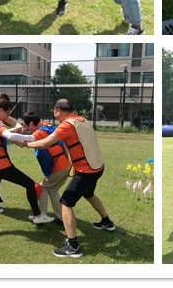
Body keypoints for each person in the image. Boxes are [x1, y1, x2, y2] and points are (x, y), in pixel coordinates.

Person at [27, 99, 114, 258]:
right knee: (89, 194)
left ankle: (73, 246)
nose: (54, 114)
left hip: (86, 170)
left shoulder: (67, 125)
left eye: (54, 111)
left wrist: (27, 144)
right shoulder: (82, 120)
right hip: (98, 166)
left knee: (66, 203)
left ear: (58, 110)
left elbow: (45, 143)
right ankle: (106, 222)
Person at [0, 97, 54, 237]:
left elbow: (0, 136)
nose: (7, 117)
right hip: (2, 166)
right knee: (30, 184)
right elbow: (9, 136)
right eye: (7, 113)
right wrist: (31, 139)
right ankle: (37, 215)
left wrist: (18, 135)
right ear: (0, 110)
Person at [22, 111, 71, 223]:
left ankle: (41, 215)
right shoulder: (45, 125)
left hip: (59, 167)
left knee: (43, 188)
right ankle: (62, 218)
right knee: (53, 191)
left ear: (31, 124)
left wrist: (11, 135)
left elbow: (23, 142)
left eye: (25, 125)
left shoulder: (39, 133)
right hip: (65, 164)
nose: (24, 128)